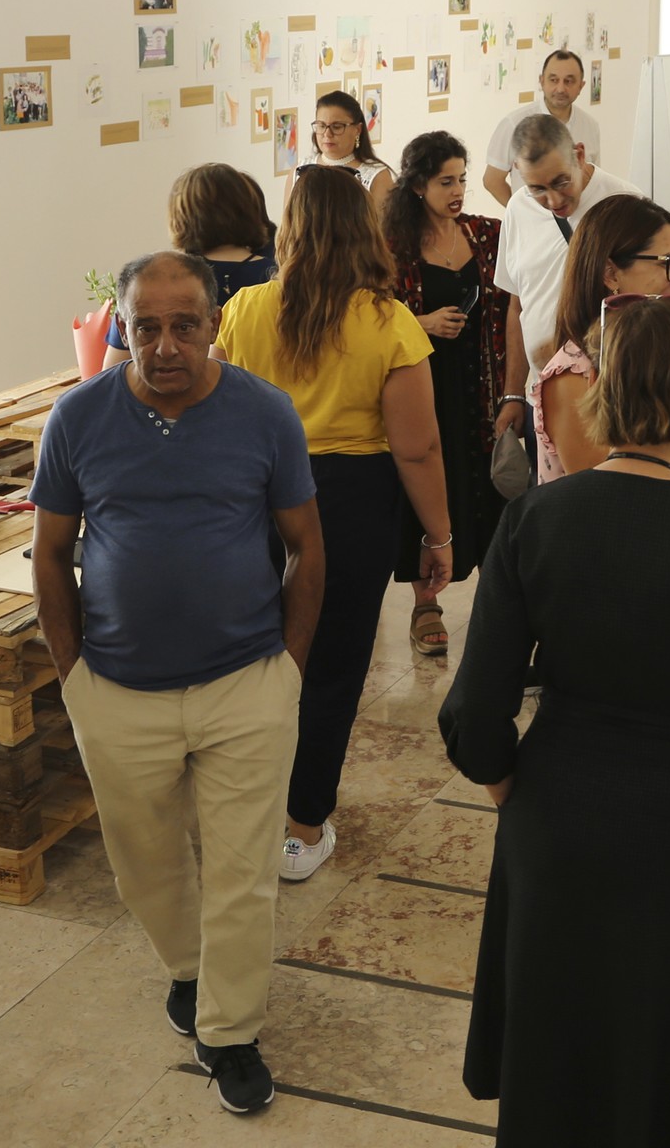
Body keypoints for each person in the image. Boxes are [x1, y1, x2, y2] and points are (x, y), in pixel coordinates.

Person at [439, 295, 670, 1144]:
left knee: (568, 1074)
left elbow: (476, 707)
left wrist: (513, 792)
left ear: (605, 390)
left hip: (561, 825)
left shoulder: (534, 521)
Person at [32, 252, 324, 1115]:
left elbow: (306, 546)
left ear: (213, 324)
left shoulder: (265, 414)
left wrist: (287, 671)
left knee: (242, 871)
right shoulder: (78, 419)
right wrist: (74, 679)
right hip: (118, 690)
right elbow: (50, 554)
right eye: (146, 327)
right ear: (121, 328)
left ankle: (230, 1033)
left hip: (246, 683)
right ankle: (190, 972)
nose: (165, 346)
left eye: (183, 325)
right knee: (145, 867)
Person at [216, 167, 451, 882]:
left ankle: (242, 815)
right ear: (364, 231)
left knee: (255, 662)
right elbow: (416, 448)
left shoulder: (246, 308)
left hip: (256, 496)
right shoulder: (389, 322)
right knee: (333, 666)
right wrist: (438, 537)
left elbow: (217, 412)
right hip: (348, 501)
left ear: (289, 231)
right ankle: (300, 828)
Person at [383, 131, 512, 657]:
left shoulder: (487, 234)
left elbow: (516, 303)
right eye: (445, 182)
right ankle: (425, 603)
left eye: (461, 180)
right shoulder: (393, 246)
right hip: (424, 385)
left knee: (491, 490)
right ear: (417, 185)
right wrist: (424, 323)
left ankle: (499, 603)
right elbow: (373, 317)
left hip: (482, 385)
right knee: (430, 487)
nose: (457, 191)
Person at [532, 194, 670, 488]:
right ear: (610, 274)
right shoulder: (572, 375)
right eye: (668, 263)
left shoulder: (666, 349)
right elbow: (612, 498)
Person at [494, 112, 641, 428]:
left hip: (609, 397)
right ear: (518, 171)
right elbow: (518, 307)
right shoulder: (518, 209)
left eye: (561, 181)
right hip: (542, 399)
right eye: (537, 188)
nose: (553, 199)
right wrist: (513, 394)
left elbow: (647, 304)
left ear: (579, 154)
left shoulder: (626, 203)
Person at [101, 163, 279, 369]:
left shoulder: (153, 279)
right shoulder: (278, 276)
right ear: (249, 210)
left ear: (181, 218)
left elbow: (111, 371)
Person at [481, 48, 600, 208]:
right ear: (542, 81)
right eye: (553, 80)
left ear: (581, 86)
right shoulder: (513, 124)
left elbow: (592, 178)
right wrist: (523, 213)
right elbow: (492, 180)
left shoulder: (590, 125)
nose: (560, 88)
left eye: (569, 81)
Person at [297, 90, 393, 211]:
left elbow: (383, 223)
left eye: (337, 127)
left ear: (357, 129)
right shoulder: (300, 169)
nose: (327, 134)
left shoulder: (377, 176)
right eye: (321, 126)